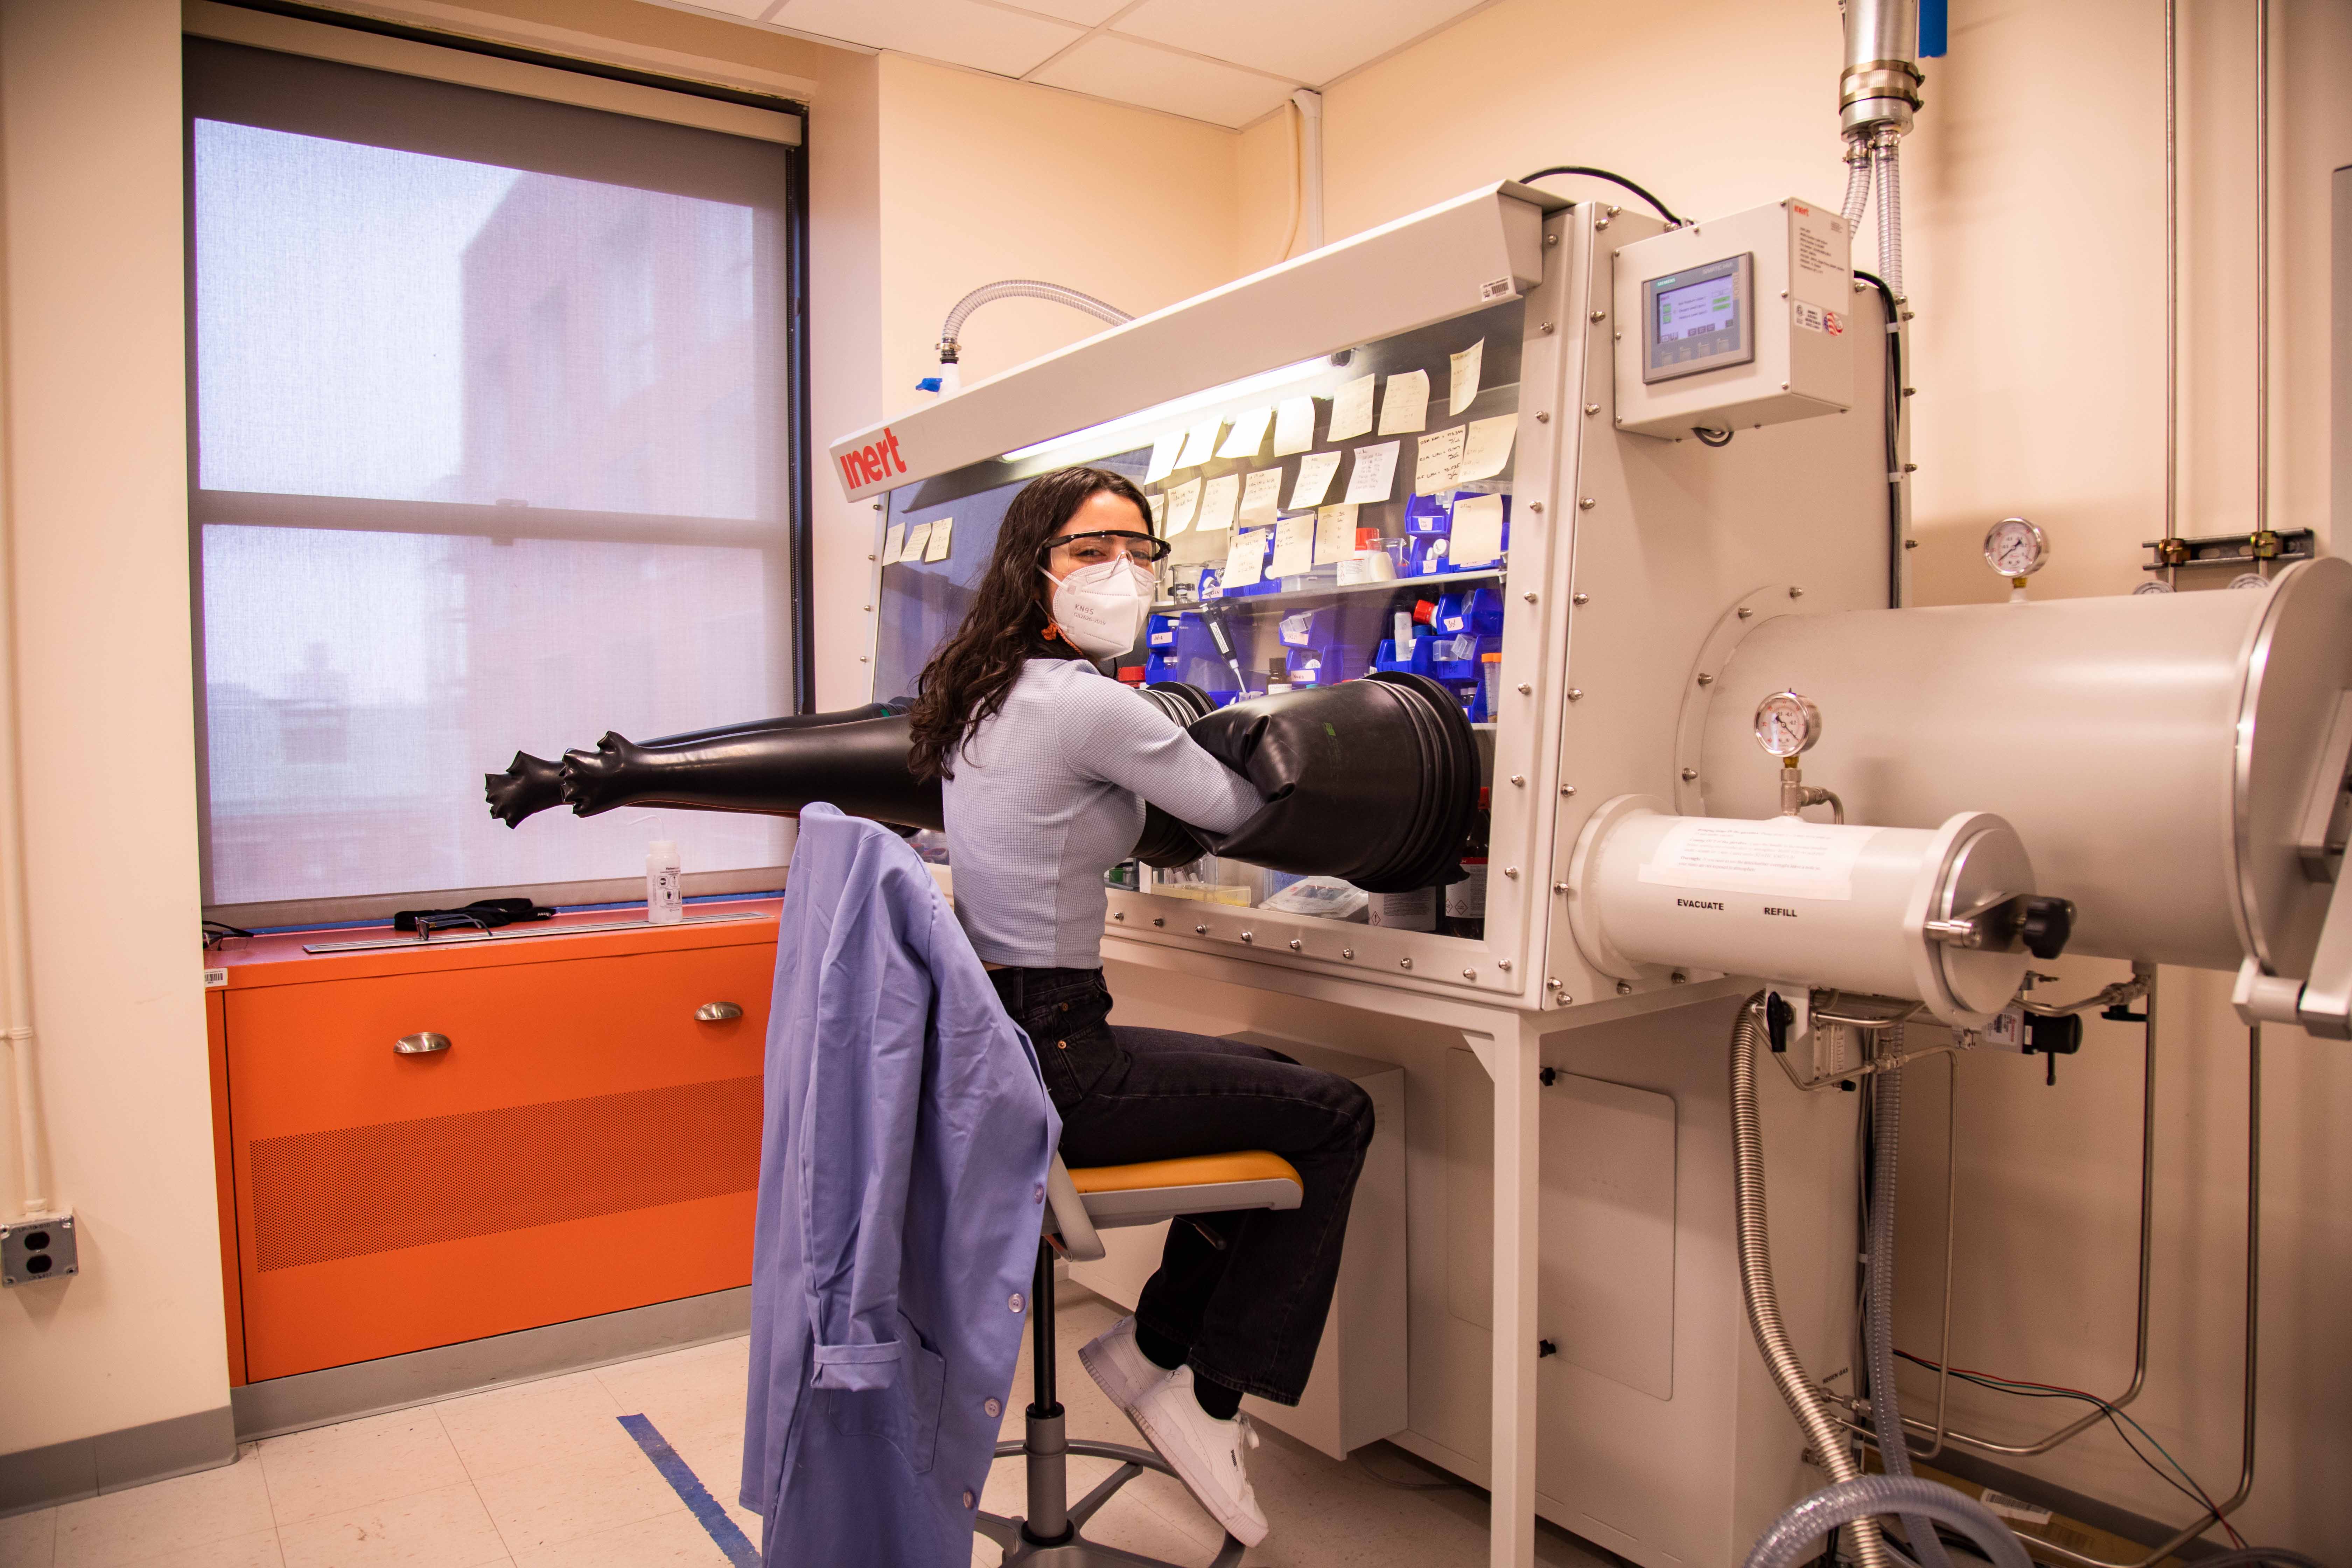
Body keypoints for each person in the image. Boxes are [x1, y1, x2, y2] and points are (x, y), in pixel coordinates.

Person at [908, 465, 1374, 1548]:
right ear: (1034, 573)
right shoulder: (1084, 702)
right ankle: (1206, 1395)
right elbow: (1237, 805)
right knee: (1337, 1112)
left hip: (1009, 1048)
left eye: (1140, 549)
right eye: (1089, 550)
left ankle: (1151, 1348)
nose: (1123, 570)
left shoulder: (985, 695)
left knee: (1264, 1067)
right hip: (1066, 1061)